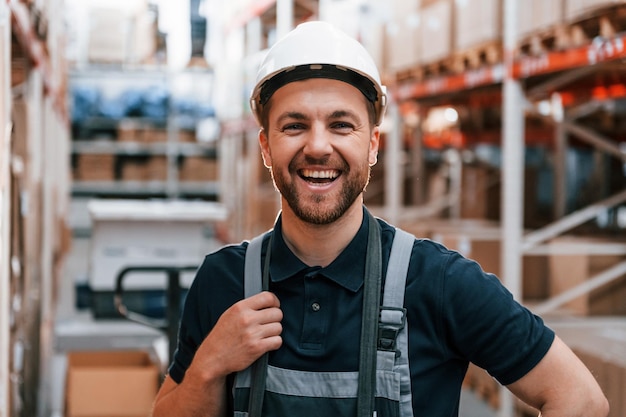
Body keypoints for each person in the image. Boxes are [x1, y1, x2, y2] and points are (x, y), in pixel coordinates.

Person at [151, 21, 609, 417]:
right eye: (294, 125)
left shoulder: (439, 282)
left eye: (341, 125)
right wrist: (209, 364)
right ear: (266, 147)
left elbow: (580, 399)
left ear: (372, 145)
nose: (317, 146)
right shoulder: (223, 281)